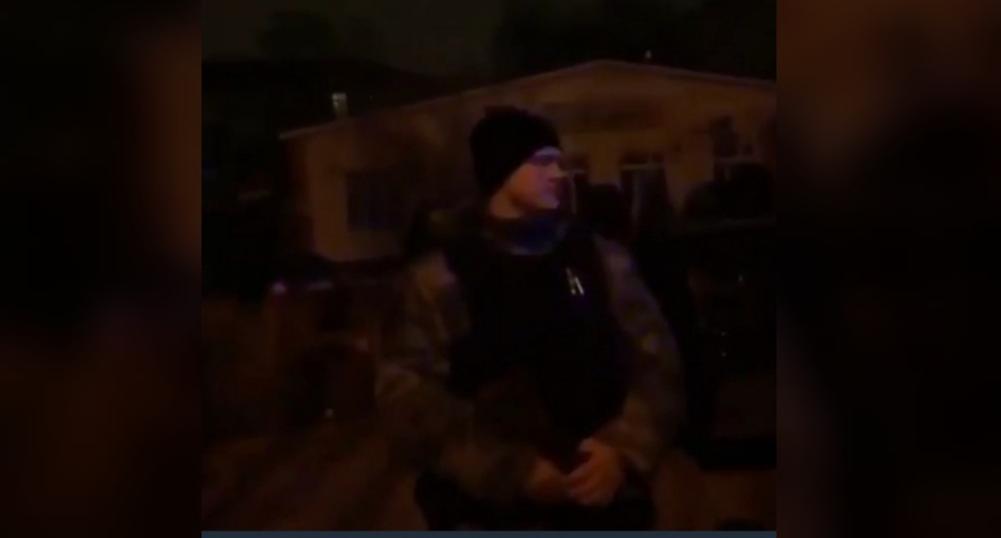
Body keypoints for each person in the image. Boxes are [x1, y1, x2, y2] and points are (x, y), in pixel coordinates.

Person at [376, 107, 684, 529]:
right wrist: (507, 469)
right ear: (500, 172)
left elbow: (658, 362)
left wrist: (621, 449)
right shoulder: (439, 279)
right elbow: (407, 397)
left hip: (601, 503)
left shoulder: (602, 261)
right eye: (541, 162)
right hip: (483, 512)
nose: (558, 173)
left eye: (558, 162)